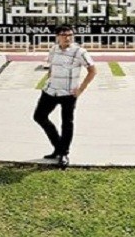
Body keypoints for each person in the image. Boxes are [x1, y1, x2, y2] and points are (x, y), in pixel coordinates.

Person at [33, 25, 97, 169]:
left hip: (68, 93)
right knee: (39, 116)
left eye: (70, 35)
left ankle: (63, 153)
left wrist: (80, 90)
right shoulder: (54, 49)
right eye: (64, 35)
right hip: (50, 91)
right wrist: (49, 80)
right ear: (58, 36)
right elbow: (51, 67)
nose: (67, 38)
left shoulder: (80, 52)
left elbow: (93, 71)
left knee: (66, 123)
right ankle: (58, 147)